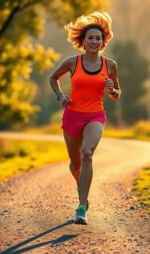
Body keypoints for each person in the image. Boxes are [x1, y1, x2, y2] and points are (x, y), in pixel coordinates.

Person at [49, 12, 121, 225]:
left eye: (98, 38)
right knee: (75, 164)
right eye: (90, 38)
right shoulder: (72, 62)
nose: (94, 41)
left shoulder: (110, 65)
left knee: (87, 153)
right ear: (83, 41)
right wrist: (61, 95)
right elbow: (53, 78)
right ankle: (83, 191)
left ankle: (81, 208)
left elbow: (116, 93)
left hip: (95, 116)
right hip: (72, 116)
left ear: (103, 41)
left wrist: (113, 90)